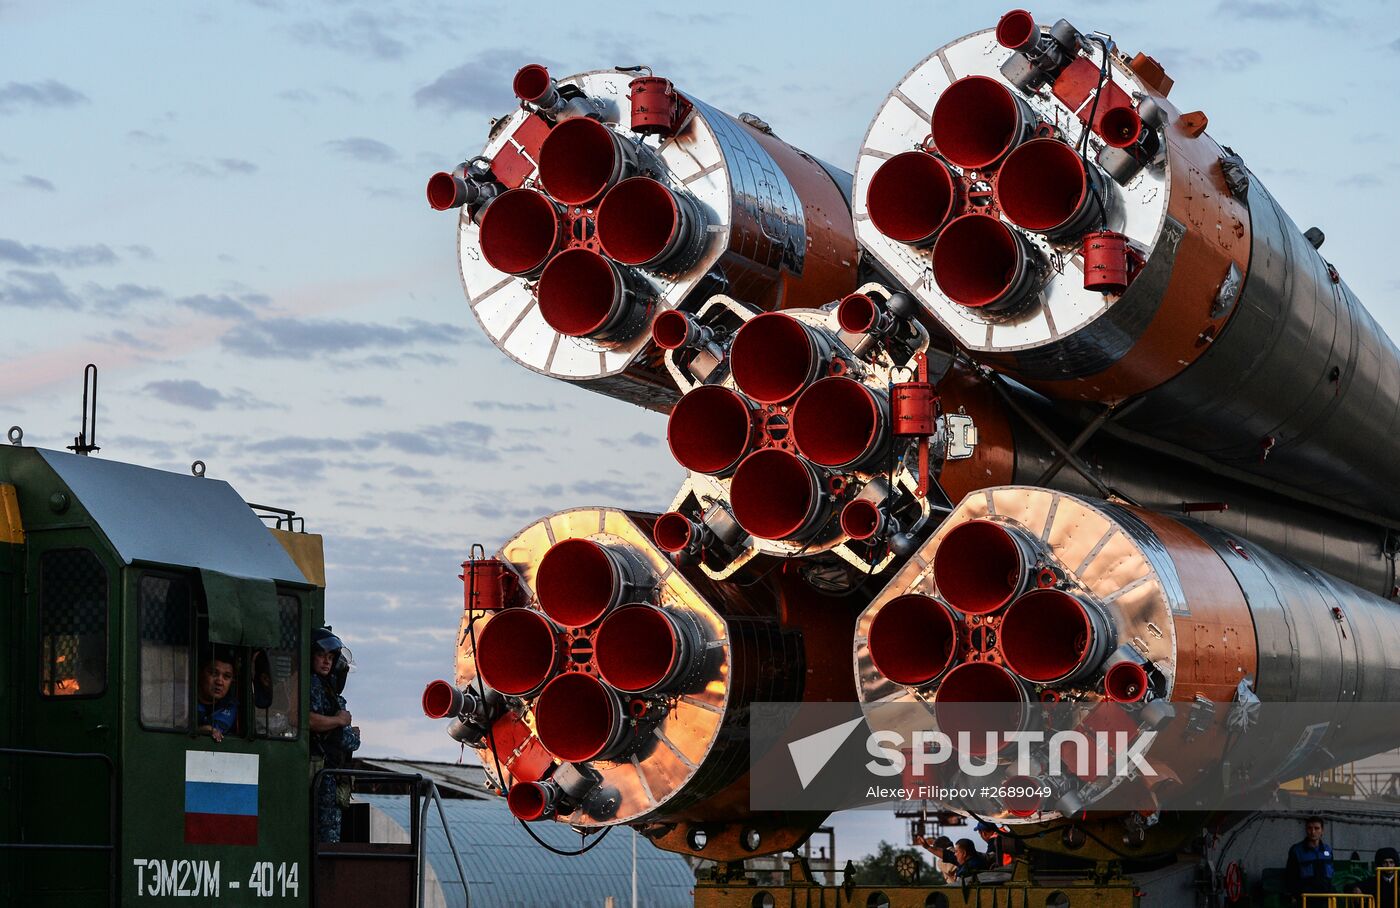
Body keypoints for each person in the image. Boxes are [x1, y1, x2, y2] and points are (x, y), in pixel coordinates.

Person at [310, 627, 357, 843]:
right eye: (321, 656)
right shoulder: (312, 685)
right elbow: (309, 720)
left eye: (330, 657)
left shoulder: (326, 688)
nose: (326, 662)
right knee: (325, 840)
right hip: (322, 771)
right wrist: (339, 721)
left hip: (331, 771)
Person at [1285, 817, 1335, 903]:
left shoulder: (1328, 850)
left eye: (1316, 828)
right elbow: (1291, 875)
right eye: (1309, 828)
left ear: (1322, 831)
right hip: (1307, 898)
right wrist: (1294, 894)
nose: (1313, 832)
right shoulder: (1296, 850)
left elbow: (1332, 873)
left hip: (1327, 897)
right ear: (1306, 830)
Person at [196, 650, 238, 743]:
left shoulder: (231, 707)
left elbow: (218, 729)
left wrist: (208, 729)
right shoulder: (186, 701)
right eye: (214, 673)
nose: (219, 682)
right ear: (201, 673)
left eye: (226, 676)